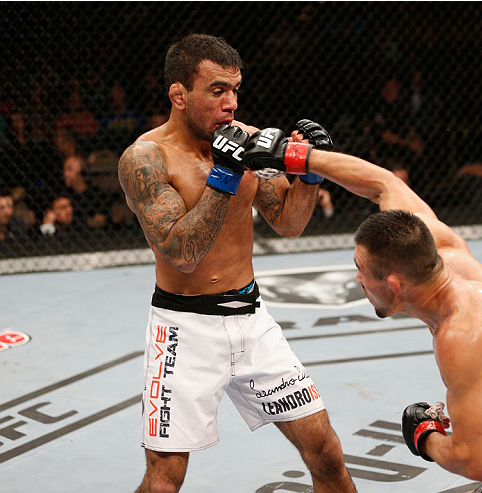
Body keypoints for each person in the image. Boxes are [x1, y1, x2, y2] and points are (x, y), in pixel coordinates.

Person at [239, 128, 482, 492]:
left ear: (394, 285)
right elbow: (382, 185)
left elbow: (480, 462)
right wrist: (298, 156)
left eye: (362, 271)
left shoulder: (460, 334)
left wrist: (424, 437)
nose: (358, 281)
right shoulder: (450, 254)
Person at [117, 34, 355, 493]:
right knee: (165, 480)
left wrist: (308, 175)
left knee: (326, 451)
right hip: (183, 328)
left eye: (235, 89)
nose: (231, 103)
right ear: (179, 95)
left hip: (251, 320)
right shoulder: (145, 159)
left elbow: (287, 223)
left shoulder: (245, 139)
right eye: (218, 90)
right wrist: (224, 176)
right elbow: (181, 252)